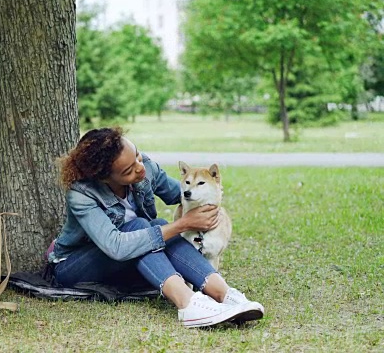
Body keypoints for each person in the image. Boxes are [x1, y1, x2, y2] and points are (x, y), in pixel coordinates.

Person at [46, 127, 264, 328]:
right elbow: (116, 247)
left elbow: (181, 195)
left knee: (158, 226)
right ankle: (188, 304)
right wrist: (183, 224)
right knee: (142, 226)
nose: (140, 168)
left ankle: (223, 294)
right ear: (104, 178)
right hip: (75, 266)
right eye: (129, 170)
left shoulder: (145, 168)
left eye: (137, 156)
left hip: (128, 261)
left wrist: (210, 197)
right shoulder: (81, 194)